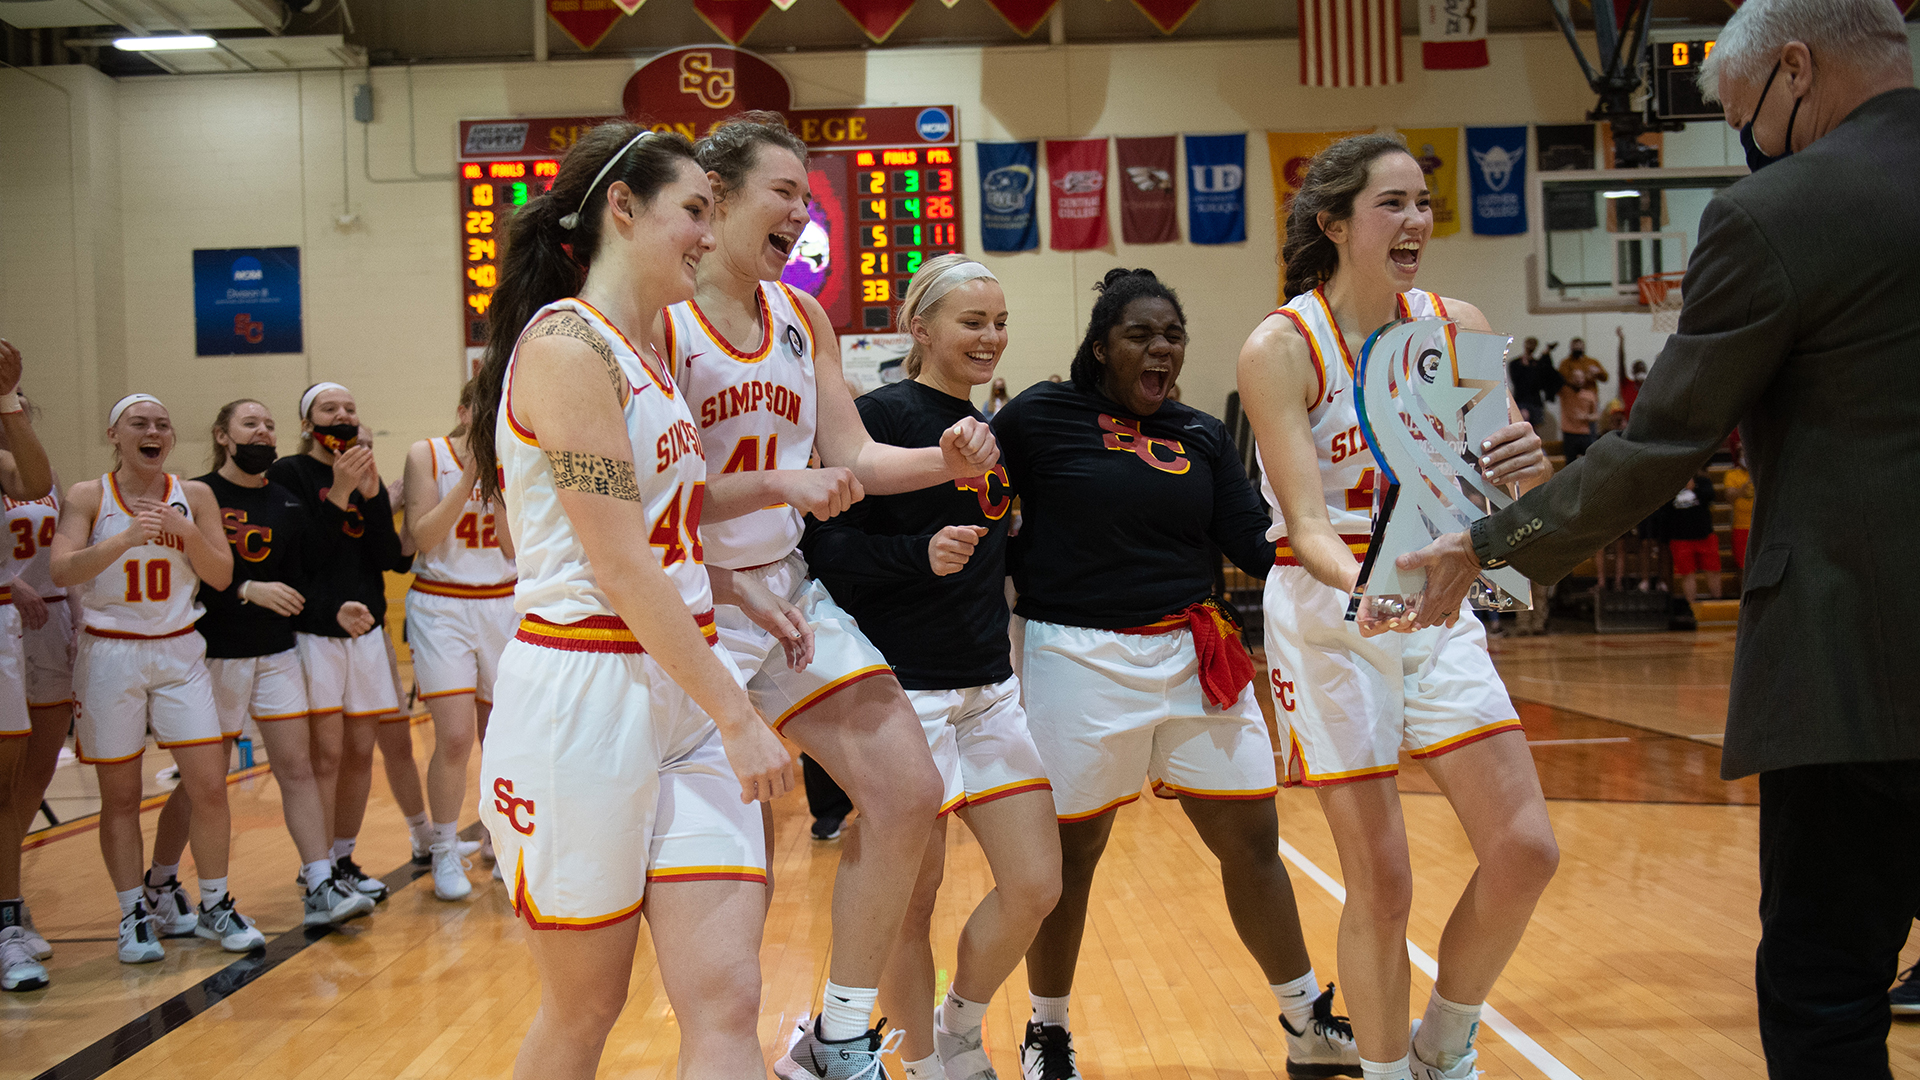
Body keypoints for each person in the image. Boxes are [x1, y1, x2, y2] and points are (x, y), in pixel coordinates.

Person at [1394, 2, 1919, 1073]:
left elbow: (1662, 443)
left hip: (1861, 658)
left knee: (1828, 984)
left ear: (1796, 68)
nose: (1750, 139)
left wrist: (1489, 542)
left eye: (1744, 114)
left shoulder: (1783, 210)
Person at [663, 110, 997, 1078]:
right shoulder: (666, 320)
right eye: (785, 193)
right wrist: (779, 485)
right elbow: (659, 498)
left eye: (807, 198)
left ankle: (840, 1035)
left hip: (788, 590)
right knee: (732, 870)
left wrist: (943, 456)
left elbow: (849, 457)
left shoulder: (802, 315)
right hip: (692, 602)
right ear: (715, 198)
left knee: (906, 792)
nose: (801, 213)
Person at [466, 121, 796, 1080]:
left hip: (683, 688)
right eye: (694, 210)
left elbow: (662, 533)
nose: (710, 230)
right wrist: (737, 711)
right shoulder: (567, 347)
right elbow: (616, 565)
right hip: (585, 698)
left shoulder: (649, 348)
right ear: (622, 207)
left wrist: (730, 585)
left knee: (730, 999)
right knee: (585, 1008)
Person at [1236, 134, 1560, 1080]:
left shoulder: (1456, 324)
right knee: (1381, 880)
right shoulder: (1281, 346)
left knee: (1526, 849)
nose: (1416, 220)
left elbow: (1497, 494)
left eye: (1423, 201)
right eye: (1392, 204)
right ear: (1335, 224)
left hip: (1437, 595)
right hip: (1331, 610)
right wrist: (1369, 590)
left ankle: (1442, 1047)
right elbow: (1302, 521)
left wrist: (1526, 472)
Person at [998, 267, 1361, 1080]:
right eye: (1141, 335)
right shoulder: (1039, 416)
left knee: (1253, 842)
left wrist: (1346, 535)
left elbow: (1250, 540)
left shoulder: (1199, 433)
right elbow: (985, 512)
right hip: (1076, 654)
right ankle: (1046, 1033)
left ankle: (1306, 1024)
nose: (1162, 348)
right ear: (1100, 347)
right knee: (1072, 855)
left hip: (1196, 653)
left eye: (1173, 336)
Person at [802, 255, 1062, 1080]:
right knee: (911, 902)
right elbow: (824, 549)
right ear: (920, 329)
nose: (991, 337)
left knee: (1035, 884)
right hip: (902, 691)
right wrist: (919, 554)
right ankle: (926, 1062)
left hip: (989, 687)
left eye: (999, 321)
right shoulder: (873, 418)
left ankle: (959, 1024)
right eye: (971, 322)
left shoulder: (995, 426)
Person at [49, 394, 267, 965]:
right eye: (139, 423)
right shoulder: (88, 495)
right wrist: (123, 539)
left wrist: (185, 532)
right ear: (113, 434)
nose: (153, 431)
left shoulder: (194, 496)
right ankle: (132, 915)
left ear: (171, 439)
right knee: (119, 798)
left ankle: (216, 902)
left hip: (177, 651)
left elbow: (221, 576)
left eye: (163, 424)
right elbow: (60, 567)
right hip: (110, 654)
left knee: (209, 784)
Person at [157, 399, 375, 927]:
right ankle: (161, 880)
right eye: (250, 424)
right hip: (216, 652)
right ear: (223, 435)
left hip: (276, 652)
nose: (263, 432)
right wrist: (245, 589)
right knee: (203, 781)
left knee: (296, 770)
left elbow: (303, 578)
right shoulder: (200, 493)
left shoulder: (286, 501)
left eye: (269, 425)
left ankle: (319, 882)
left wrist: (331, 607)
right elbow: (188, 571)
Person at [268, 383, 409, 902]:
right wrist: (343, 492)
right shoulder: (289, 473)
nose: (343, 415)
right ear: (308, 423)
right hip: (314, 628)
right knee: (324, 754)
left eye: (350, 407)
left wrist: (372, 498)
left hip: (366, 627)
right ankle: (317, 867)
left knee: (359, 753)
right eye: (330, 409)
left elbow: (388, 556)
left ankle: (343, 857)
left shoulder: (362, 469)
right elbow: (304, 555)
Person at [401, 381, 517, 900]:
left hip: (503, 602)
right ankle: (444, 848)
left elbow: (516, 551)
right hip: (442, 603)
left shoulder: (516, 456)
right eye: (483, 408)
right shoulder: (426, 454)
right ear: (465, 411)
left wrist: (496, 491)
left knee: (503, 737)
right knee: (452, 737)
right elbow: (421, 537)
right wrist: (470, 476)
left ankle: (501, 839)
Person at [0, 384, 67, 973]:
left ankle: (9, 897)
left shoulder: (29, 463)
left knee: (35, 769)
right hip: (10, 609)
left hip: (50, 615)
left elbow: (42, 492)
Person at [1662, 472, 1722, 606]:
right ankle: (1692, 607)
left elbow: (1710, 497)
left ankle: (1717, 603)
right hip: (1680, 538)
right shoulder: (1670, 485)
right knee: (1687, 575)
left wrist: (1693, 487)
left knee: (1713, 571)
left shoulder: (1703, 481)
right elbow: (1665, 510)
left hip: (1704, 535)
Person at [1505, 337, 1562, 431]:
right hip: (1521, 399)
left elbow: (1545, 377)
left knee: (1534, 430)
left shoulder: (1538, 364)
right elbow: (1517, 380)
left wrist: (1546, 354)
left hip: (1535, 401)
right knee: (1522, 425)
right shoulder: (1515, 363)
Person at [1557, 366, 1600, 462]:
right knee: (1569, 462)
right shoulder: (1564, 392)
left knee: (1590, 461)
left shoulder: (1590, 395)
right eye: (1575, 377)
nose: (1578, 380)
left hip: (1585, 433)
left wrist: (1586, 417)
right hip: (1569, 433)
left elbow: (1596, 415)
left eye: (1580, 377)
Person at [1722, 447, 1754, 571]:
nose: (1745, 458)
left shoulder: (1761, 474)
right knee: (1743, 567)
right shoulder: (1732, 474)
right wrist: (1741, 490)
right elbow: (1729, 495)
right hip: (1741, 527)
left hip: (1761, 527)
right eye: (1742, 455)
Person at [1614, 327, 1649, 417]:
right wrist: (1621, 341)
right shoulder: (1627, 384)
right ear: (1633, 371)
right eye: (1637, 368)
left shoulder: (1650, 387)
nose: (1640, 370)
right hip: (1629, 424)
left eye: (1642, 368)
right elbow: (1621, 362)